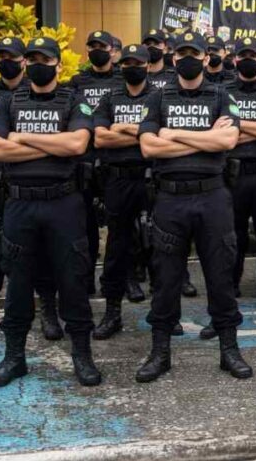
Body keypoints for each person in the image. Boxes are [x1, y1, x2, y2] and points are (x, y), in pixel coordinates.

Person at [0, 36, 100, 388]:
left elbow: (77, 144)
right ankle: (14, 357)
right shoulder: (9, 102)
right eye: (31, 59)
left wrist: (21, 138)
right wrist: (52, 146)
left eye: (44, 59)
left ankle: (82, 354)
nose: (37, 64)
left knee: (73, 281)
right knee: (18, 283)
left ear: (57, 66)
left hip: (64, 204)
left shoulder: (74, 100)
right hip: (20, 205)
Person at [135, 31, 248, 382]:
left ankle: (229, 351)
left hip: (212, 197)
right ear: (173, 59)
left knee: (220, 275)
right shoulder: (159, 97)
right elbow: (148, 148)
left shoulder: (221, 95)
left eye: (194, 54)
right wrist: (203, 140)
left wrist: (174, 134)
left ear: (204, 58)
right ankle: (160, 353)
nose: (187, 59)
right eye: (181, 53)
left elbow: (227, 139)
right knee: (166, 278)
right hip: (170, 198)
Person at [0, 37, 60, 343]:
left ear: (23, 60)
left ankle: (49, 313)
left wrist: (4, 132)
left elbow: (57, 134)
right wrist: (13, 133)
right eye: (0, 55)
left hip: (28, 180)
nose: (6, 60)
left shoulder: (38, 93)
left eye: (11, 56)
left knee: (41, 252)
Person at [199, 37, 256, 340]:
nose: (248, 60)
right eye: (243, 55)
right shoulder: (222, 92)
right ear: (234, 59)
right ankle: (222, 315)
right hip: (231, 178)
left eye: (253, 55)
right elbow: (218, 137)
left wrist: (240, 124)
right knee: (227, 247)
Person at [92, 44, 154, 338]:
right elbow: (101, 138)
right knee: (116, 247)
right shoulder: (110, 96)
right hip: (117, 180)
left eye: (137, 63)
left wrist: (123, 128)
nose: (132, 67)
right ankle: (112, 312)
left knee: (160, 245)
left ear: (146, 65)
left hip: (151, 177)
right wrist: (141, 131)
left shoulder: (159, 96)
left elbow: (161, 136)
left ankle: (165, 312)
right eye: (127, 62)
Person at [70, 30, 121, 294]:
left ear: (113, 50)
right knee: (85, 226)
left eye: (102, 46)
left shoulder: (124, 79)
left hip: (115, 160)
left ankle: (122, 280)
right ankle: (87, 277)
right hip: (86, 162)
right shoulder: (76, 82)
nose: (96, 50)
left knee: (119, 226)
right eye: (92, 46)